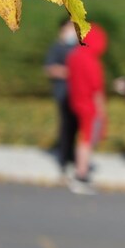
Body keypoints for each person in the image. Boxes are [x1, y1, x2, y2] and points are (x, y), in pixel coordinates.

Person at [66, 24, 108, 195]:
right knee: (87, 140)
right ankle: (81, 175)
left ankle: (80, 170)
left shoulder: (74, 56)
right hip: (89, 106)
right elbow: (97, 90)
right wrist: (103, 113)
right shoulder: (91, 61)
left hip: (76, 102)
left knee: (82, 138)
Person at [44, 18, 78, 174]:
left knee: (75, 127)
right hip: (63, 93)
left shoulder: (78, 47)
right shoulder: (57, 47)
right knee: (65, 127)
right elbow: (49, 68)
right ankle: (64, 159)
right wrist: (67, 72)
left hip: (77, 94)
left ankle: (73, 156)